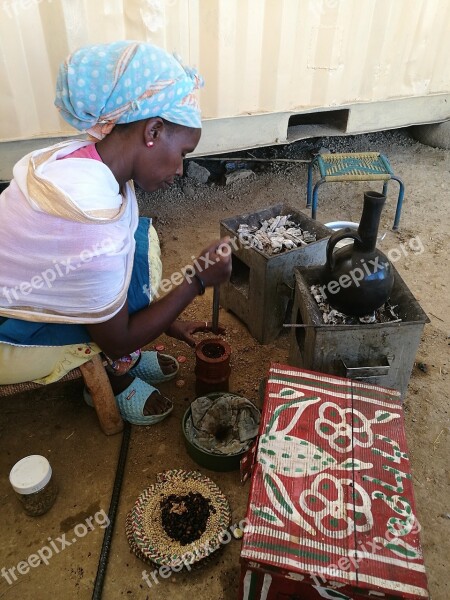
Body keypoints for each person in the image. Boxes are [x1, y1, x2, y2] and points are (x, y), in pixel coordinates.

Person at [0, 40, 232, 425]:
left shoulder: (85, 156)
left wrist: (169, 324)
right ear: (153, 130)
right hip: (12, 335)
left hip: (27, 289)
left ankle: (130, 355)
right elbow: (116, 336)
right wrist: (195, 280)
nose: (180, 170)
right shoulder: (91, 225)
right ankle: (117, 373)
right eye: (184, 154)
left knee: (137, 248)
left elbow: (94, 270)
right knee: (137, 267)